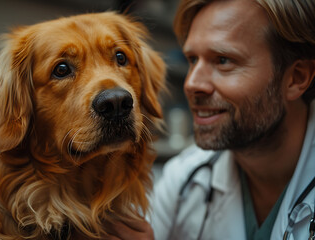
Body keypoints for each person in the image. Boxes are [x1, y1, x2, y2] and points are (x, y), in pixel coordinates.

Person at [107, 0, 315, 239]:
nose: (191, 84)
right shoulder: (185, 180)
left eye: (223, 60)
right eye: (193, 60)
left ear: (297, 78)